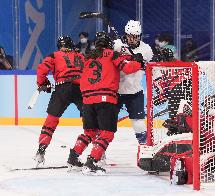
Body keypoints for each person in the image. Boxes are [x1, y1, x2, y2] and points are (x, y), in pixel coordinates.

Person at [67, 32, 143, 174]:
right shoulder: (112, 54)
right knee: (107, 133)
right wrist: (138, 62)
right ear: (109, 45)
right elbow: (126, 68)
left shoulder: (88, 57)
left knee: (89, 132)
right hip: (105, 99)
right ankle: (92, 161)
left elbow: (78, 76)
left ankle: (73, 157)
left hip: (87, 100)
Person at [34, 36, 85, 167]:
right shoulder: (80, 56)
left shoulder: (54, 55)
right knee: (90, 120)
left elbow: (42, 69)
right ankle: (98, 152)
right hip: (81, 89)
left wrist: (43, 83)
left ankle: (41, 150)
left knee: (51, 120)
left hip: (62, 88)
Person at [113, 20, 153, 144]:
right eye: (129, 36)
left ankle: (145, 151)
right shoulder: (116, 45)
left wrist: (140, 60)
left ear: (139, 36)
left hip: (135, 91)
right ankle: (100, 153)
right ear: (125, 34)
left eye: (135, 37)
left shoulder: (146, 49)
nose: (132, 39)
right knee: (107, 123)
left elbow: (148, 68)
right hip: (115, 90)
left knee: (139, 123)